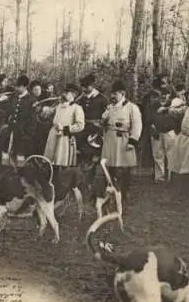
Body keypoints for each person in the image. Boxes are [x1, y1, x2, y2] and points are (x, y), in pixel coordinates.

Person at [101, 80, 143, 210]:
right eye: (111, 94)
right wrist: (105, 115)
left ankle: (124, 195)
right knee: (109, 168)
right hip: (110, 140)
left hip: (124, 140)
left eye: (115, 94)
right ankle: (111, 196)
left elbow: (137, 125)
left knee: (124, 169)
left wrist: (132, 141)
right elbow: (103, 123)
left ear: (123, 93)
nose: (112, 96)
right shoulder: (110, 107)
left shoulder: (131, 107)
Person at [76, 74, 109, 184]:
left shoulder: (102, 99)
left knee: (94, 155)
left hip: (96, 132)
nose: (84, 89)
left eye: (86, 87)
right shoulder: (81, 99)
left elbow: (107, 115)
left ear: (92, 86)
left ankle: (93, 180)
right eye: (83, 87)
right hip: (83, 131)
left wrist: (101, 127)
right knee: (83, 154)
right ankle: (83, 180)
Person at [44, 84, 85, 170]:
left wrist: (64, 128)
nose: (64, 94)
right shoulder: (58, 106)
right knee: (50, 161)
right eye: (64, 92)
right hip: (53, 135)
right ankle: (50, 178)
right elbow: (46, 116)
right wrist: (45, 111)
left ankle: (61, 179)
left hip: (65, 137)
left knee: (62, 161)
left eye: (67, 93)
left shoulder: (77, 108)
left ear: (73, 95)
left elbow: (80, 125)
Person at [2, 75, 37, 167]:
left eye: (19, 86)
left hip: (23, 131)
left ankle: (21, 173)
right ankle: (5, 170)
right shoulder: (13, 97)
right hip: (11, 129)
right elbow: (8, 111)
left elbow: (33, 119)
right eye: (16, 86)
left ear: (25, 87)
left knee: (20, 153)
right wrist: (5, 123)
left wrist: (29, 133)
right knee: (6, 150)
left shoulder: (31, 100)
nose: (16, 88)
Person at [146, 90, 178, 183]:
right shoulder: (151, 107)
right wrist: (151, 125)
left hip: (169, 132)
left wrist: (166, 108)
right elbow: (148, 119)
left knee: (171, 154)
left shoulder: (174, 104)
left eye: (166, 94)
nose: (164, 96)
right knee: (157, 155)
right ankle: (160, 177)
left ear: (169, 95)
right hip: (157, 132)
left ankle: (172, 177)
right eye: (162, 95)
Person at [29, 80, 51, 155]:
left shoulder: (47, 96)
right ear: (32, 91)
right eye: (35, 90)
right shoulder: (30, 98)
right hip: (34, 123)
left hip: (46, 122)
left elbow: (51, 106)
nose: (38, 91)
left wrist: (45, 108)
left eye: (39, 89)